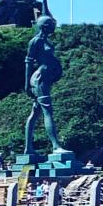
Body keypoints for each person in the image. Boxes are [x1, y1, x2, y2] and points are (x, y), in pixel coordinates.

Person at [23, 15, 67, 154]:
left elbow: (44, 15)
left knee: (35, 114)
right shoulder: (35, 41)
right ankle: (56, 146)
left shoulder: (45, 40)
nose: (54, 25)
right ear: (44, 27)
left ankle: (28, 148)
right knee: (47, 112)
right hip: (39, 80)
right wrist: (26, 86)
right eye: (51, 24)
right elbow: (28, 62)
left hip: (45, 80)